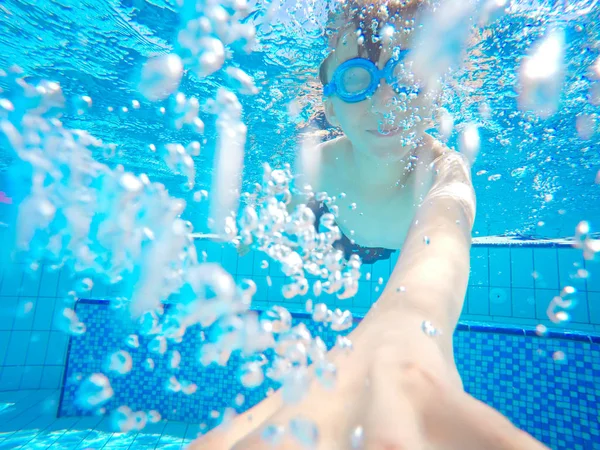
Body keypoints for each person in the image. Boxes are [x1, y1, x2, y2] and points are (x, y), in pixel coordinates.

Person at [189, 0, 550, 448]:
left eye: (410, 77)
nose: (387, 100)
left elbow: (445, 236)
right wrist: (250, 235)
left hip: (399, 243)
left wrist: (406, 330)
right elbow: (280, 206)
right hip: (337, 233)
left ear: (436, 96)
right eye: (359, 78)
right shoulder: (318, 163)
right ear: (333, 109)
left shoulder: (444, 171)